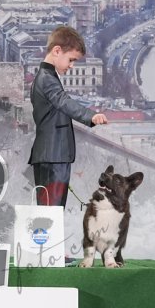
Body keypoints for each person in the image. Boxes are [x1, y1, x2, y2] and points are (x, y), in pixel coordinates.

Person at [29, 25, 108, 209]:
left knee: (51, 212)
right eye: (71, 59)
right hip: (53, 156)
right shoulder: (47, 79)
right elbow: (63, 101)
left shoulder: (46, 77)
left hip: (52, 155)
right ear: (57, 51)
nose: (72, 66)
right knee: (51, 212)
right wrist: (91, 116)